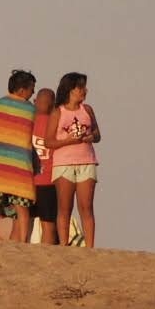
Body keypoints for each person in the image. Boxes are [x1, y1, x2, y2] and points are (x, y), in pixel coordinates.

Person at [0, 70, 39, 242]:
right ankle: (23, 239)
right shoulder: (30, 109)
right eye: (31, 89)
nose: (33, 92)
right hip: (19, 164)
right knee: (21, 205)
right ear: (22, 89)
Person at [47, 72, 101, 248]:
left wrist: (90, 136)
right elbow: (48, 141)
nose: (85, 90)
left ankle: (90, 246)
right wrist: (67, 141)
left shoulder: (88, 110)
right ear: (71, 90)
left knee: (86, 207)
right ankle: (64, 244)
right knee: (65, 207)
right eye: (81, 87)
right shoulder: (58, 112)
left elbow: (98, 134)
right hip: (64, 163)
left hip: (86, 161)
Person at [28, 87, 60, 245]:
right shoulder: (56, 123)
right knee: (48, 225)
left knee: (20, 223)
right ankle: (46, 256)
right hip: (49, 181)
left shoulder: (27, 121)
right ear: (53, 105)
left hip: (26, 180)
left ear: (35, 102)